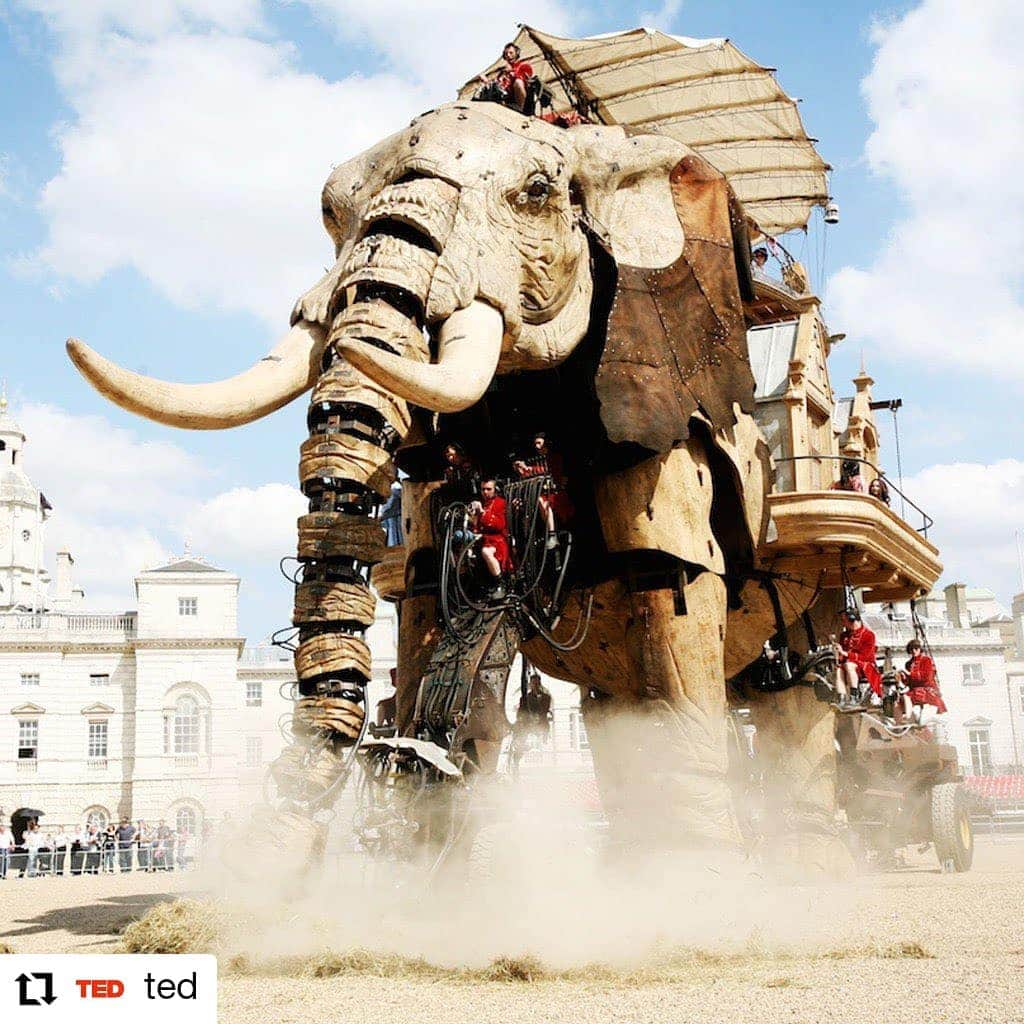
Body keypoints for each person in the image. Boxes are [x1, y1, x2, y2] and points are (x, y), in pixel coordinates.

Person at [513, 432, 573, 549]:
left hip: (555, 494)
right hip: (541, 496)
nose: (537, 447)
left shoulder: (554, 458)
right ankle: (529, 537)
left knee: (542, 501)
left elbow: (554, 475)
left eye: (539, 443)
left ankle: (552, 534)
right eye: (535, 444)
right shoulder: (538, 462)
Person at [469, 479, 511, 598]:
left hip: (498, 540)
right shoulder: (482, 503)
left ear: (495, 490)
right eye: (483, 489)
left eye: (489, 489)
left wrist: (482, 513)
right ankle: (481, 585)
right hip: (483, 539)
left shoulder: (501, 503)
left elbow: (499, 525)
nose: (485, 492)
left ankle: (500, 584)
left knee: (486, 552)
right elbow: (477, 526)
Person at [833, 609, 881, 708]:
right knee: (839, 669)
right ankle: (841, 698)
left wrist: (845, 654)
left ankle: (853, 697)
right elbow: (842, 655)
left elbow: (866, 656)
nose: (843, 623)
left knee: (849, 665)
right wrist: (838, 656)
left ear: (852, 620)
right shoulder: (844, 635)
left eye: (844, 620)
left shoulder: (869, 635)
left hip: (865, 665)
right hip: (848, 665)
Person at [476, 42, 534, 112]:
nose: (508, 55)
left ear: (516, 53)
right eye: (506, 54)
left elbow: (524, 79)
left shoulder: (524, 66)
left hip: (519, 100)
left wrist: (512, 72)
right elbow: (497, 85)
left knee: (518, 82)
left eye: (511, 53)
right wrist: (486, 81)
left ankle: (519, 108)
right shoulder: (502, 72)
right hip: (505, 99)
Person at [899, 638, 947, 719]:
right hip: (914, 691)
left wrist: (909, 673)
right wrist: (902, 678)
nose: (914, 651)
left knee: (906, 697)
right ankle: (899, 723)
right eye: (911, 649)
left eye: (916, 648)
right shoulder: (908, 664)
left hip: (926, 690)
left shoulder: (926, 660)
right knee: (898, 702)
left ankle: (908, 718)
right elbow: (909, 682)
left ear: (920, 649)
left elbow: (927, 677)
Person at [516, 673, 553, 740]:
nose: (535, 686)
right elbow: (520, 712)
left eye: (537, 683)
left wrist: (539, 701)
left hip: (542, 726)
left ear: (540, 684)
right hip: (529, 727)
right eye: (533, 683)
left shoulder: (546, 697)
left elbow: (545, 710)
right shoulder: (524, 698)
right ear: (531, 684)